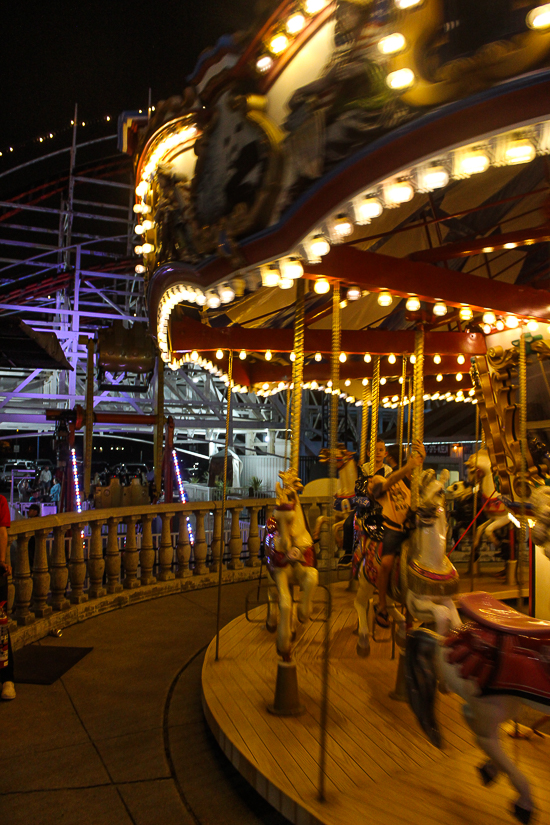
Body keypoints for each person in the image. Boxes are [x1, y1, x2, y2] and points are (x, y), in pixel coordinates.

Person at [369, 440, 426, 628]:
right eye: (372, 480)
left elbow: (415, 476)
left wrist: (420, 459)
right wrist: (407, 467)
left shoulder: (405, 482)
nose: (374, 481)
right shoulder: (379, 486)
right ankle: (382, 604)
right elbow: (391, 480)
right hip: (392, 529)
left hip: (410, 527)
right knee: (386, 563)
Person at [0, 492, 15, 700]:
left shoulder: (0, 501)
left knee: (1, 627)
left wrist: (1, 560)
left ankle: (7, 678)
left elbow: (2, 532)